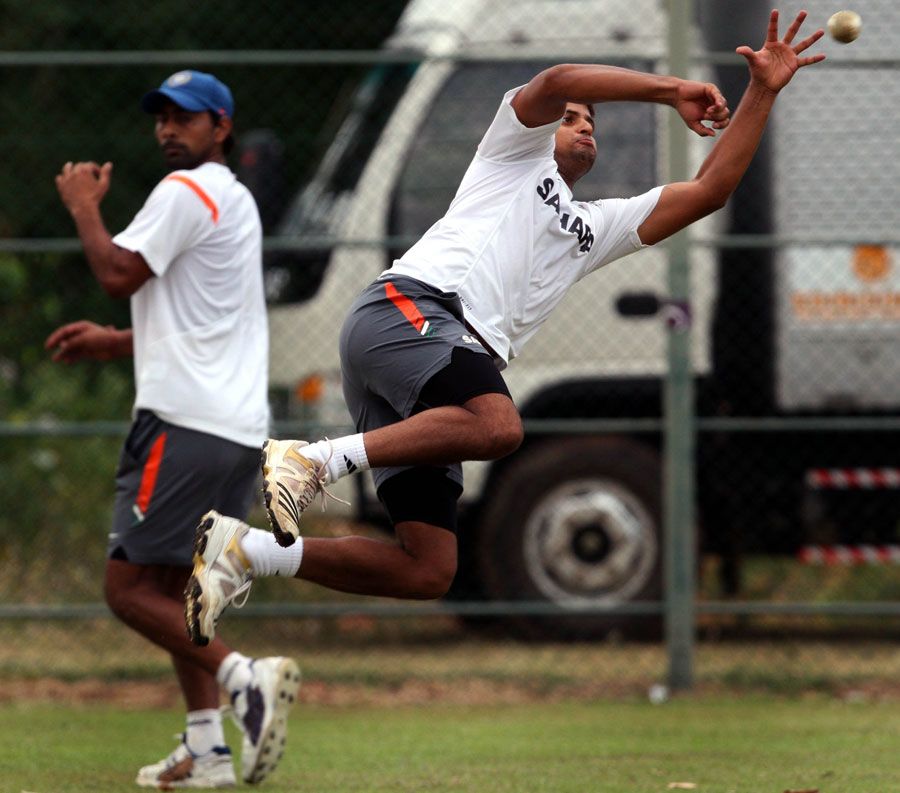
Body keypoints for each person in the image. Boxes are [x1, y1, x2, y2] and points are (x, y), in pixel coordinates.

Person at [184, 12, 825, 643]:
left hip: (428, 360)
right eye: (571, 118)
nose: (584, 127)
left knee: (427, 568)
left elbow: (711, 190)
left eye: (592, 122)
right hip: (409, 310)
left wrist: (762, 92)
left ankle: (245, 554)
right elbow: (559, 77)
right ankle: (313, 460)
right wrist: (671, 89)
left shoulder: (595, 227)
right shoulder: (509, 157)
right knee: (498, 425)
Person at [45, 70, 299, 789]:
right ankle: (208, 750)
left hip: (181, 425)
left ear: (222, 127)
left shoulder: (184, 191)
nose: (167, 129)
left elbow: (118, 273)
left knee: (127, 590)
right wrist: (114, 341)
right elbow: (201, 317)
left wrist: (84, 208)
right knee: (173, 590)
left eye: (185, 117)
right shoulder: (236, 201)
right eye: (161, 116)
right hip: (236, 430)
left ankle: (244, 676)